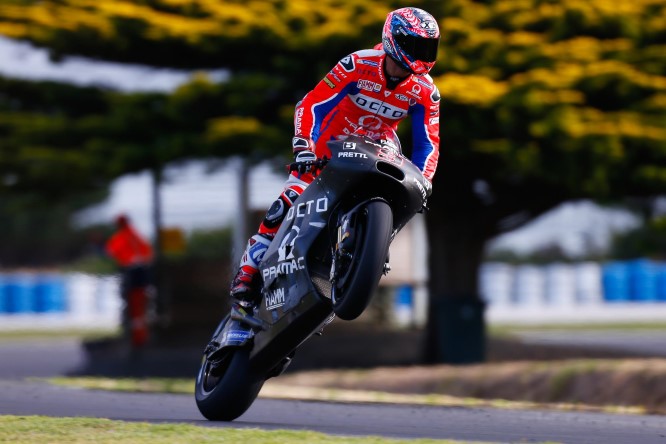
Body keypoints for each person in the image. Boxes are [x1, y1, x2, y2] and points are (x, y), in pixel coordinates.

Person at [229, 7, 441, 313]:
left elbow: (428, 144)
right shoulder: (357, 64)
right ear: (394, 38)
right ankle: (248, 272)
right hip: (327, 146)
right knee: (289, 198)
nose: (423, 55)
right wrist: (304, 146)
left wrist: (424, 181)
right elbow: (312, 104)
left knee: (400, 193)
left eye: (428, 47)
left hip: (378, 148)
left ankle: (365, 250)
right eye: (416, 45)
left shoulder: (426, 91)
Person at [105, 214, 154, 347]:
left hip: (133, 277)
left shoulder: (122, 237)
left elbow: (111, 252)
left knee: (135, 309)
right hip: (140, 277)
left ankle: (138, 337)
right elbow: (148, 253)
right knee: (139, 309)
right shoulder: (135, 235)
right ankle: (139, 335)